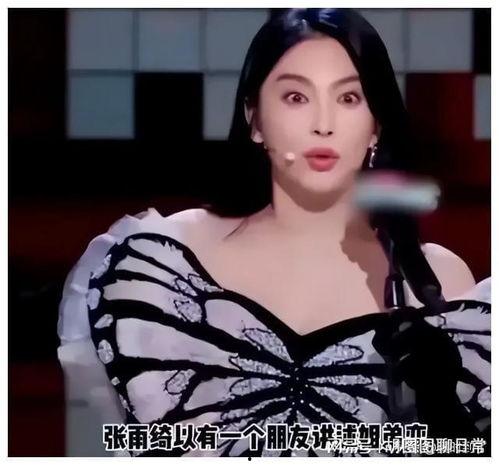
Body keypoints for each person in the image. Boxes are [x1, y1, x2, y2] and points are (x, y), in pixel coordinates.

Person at [57, 8, 490, 457]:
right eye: (296, 97)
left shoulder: (435, 281)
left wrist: (447, 417)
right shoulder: (163, 264)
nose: (323, 123)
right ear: (255, 118)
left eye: (349, 98)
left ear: (375, 125)